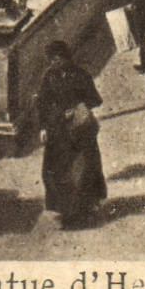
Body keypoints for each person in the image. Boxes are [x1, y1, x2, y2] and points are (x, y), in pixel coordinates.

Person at [33, 40, 107, 226]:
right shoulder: (49, 76)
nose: (55, 62)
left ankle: (85, 208)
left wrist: (78, 107)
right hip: (58, 129)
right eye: (52, 59)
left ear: (66, 57)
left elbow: (95, 99)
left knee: (83, 168)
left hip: (80, 129)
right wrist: (43, 127)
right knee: (58, 170)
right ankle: (66, 211)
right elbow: (42, 103)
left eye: (59, 58)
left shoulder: (80, 74)